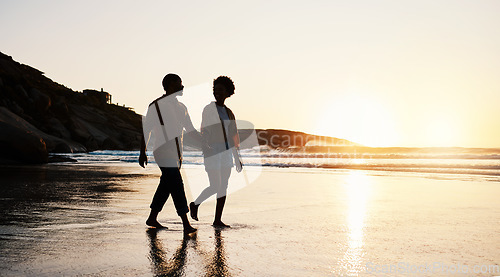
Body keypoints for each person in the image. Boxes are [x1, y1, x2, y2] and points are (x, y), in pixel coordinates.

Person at [139, 73, 197, 234]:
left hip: (177, 153)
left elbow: (190, 130)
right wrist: (142, 152)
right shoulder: (156, 105)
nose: (182, 86)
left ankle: (152, 217)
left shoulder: (182, 107)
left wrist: (205, 143)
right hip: (162, 151)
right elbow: (146, 130)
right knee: (177, 185)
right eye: (179, 83)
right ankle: (185, 223)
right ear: (170, 85)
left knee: (166, 185)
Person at [189, 76, 243, 227]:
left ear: (228, 92)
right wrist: (205, 145)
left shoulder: (229, 112)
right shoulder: (209, 109)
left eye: (220, 90)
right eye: (215, 90)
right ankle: (195, 204)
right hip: (212, 151)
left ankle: (217, 219)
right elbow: (204, 130)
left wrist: (237, 157)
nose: (216, 92)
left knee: (223, 187)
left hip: (226, 153)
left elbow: (233, 135)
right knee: (215, 185)